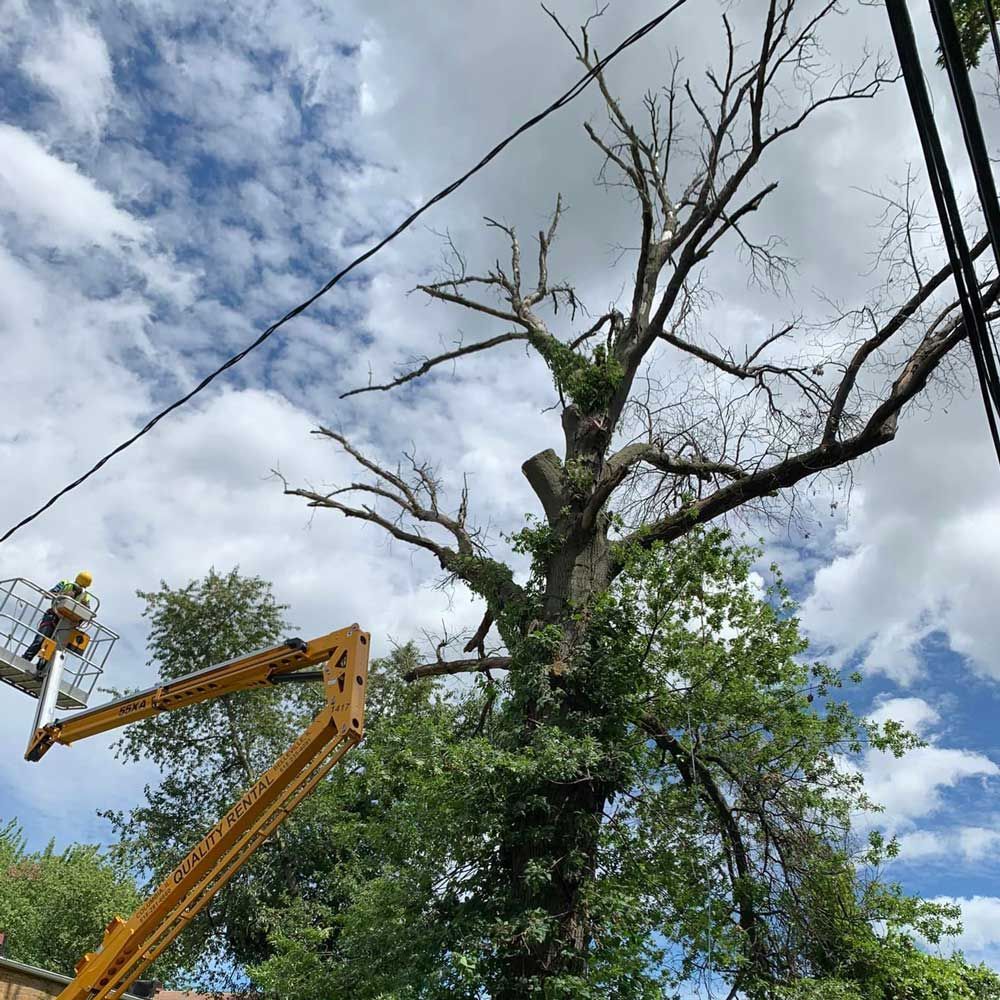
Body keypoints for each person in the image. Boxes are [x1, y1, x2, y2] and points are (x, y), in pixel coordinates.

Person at [22, 572, 94, 671]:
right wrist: (63, 595)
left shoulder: (86, 596)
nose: (79, 589)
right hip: (53, 616)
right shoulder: (65, 584)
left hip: (68, 624)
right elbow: (48, 594)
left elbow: (87, 613)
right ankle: (25, 660)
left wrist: (84, 608)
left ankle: (42, 669)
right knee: (40, 640)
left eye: (82, 587)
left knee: (56, 648)